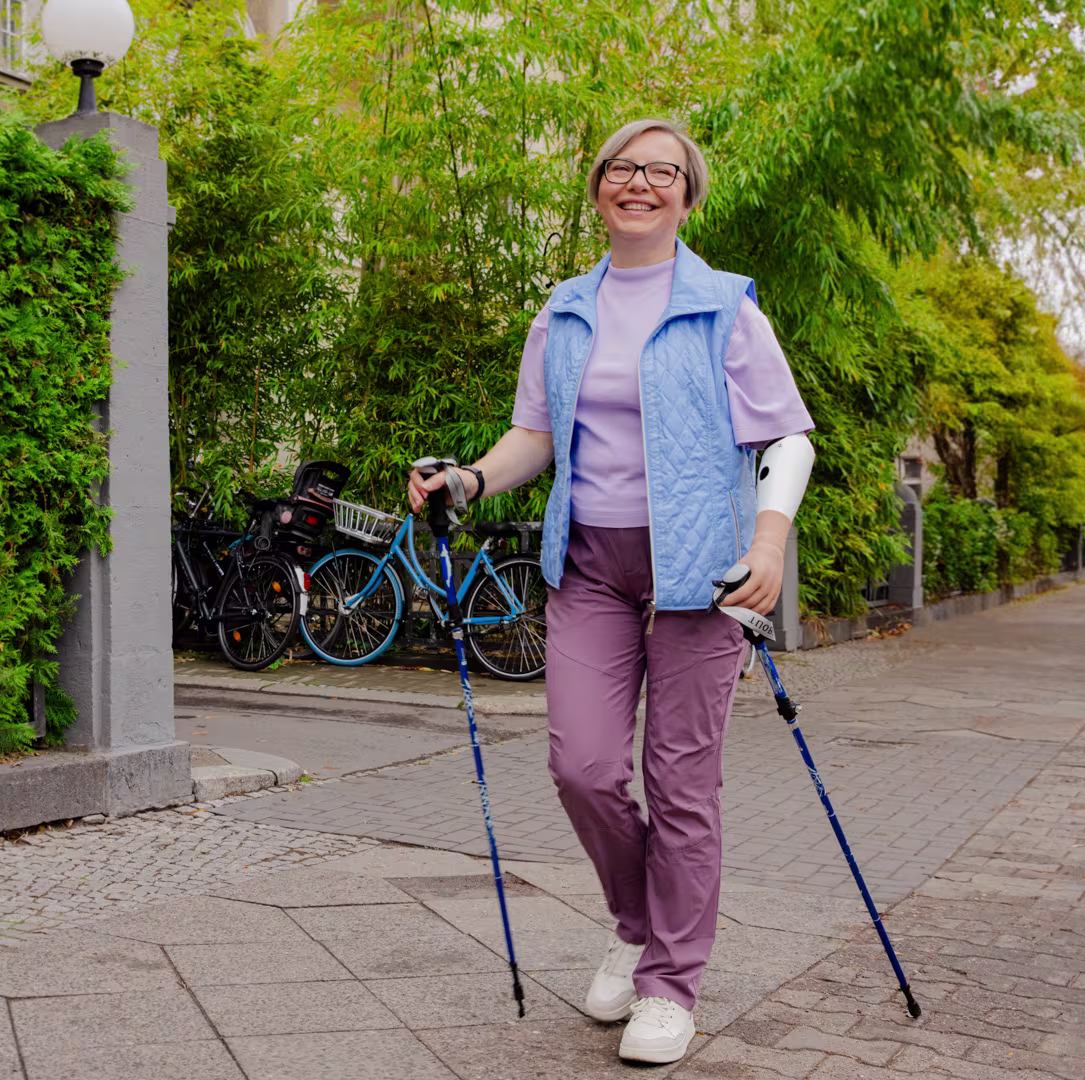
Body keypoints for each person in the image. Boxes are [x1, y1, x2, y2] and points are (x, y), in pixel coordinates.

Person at [407, 118, 815, 1065]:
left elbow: (786, 437)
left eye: (661, 171)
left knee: (681, 781)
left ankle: (672, 983)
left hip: (700, 573)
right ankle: (635, 926)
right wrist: (468, 479)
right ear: (597, 188)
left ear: (687, 192)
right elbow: (536, 437)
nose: (641, 183)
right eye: (623, 169)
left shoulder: (725, 308)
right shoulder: (564, 310)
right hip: (589, 561)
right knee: (583, 767)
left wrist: (769, 540)